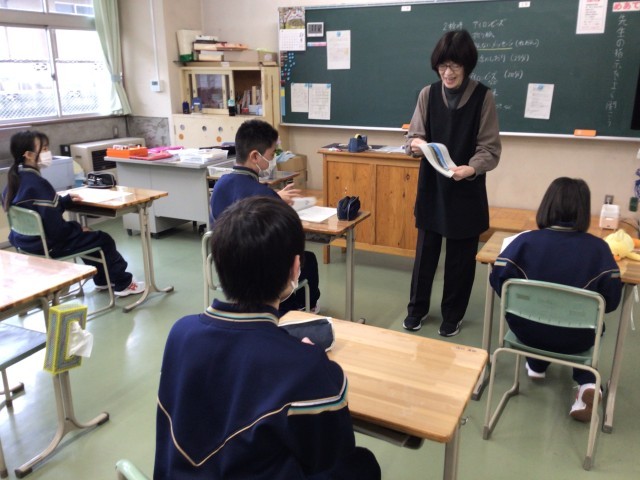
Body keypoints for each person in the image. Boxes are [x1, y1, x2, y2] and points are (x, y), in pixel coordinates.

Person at [155, 196, 381, 479]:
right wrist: (306, 358)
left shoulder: (180, 333)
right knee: (362, 464)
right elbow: (330, 453)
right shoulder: (308, 367)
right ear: (295, 268)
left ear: (218, 265)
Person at [489, 177, 622, 422]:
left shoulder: (523, 242)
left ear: (546, 205)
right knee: (589, 325)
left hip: (525, 333)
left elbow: (499, 282)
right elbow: (611, 302)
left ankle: (536, 365)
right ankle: (587, 383)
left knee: (539, 316)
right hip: (577, 339)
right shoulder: (599, 250)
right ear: (583, 210)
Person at [403, 29, 502, 337]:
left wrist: (470, 169)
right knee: (425, 255)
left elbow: (490, 149)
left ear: (466, 65)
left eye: (454, 66)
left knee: (460, 260)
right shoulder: (427, 94)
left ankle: (453, 314)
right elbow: (412, 138)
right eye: (442, 66)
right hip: (432, 188)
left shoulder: (483, 97)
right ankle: (416, 309)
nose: (447, 72)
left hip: (466, 188)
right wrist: (415, 145)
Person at [2, 130, 143, 296]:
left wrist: (63, 202)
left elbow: (40, 213)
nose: (48, 152)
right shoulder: (38, 184)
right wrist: (77, 228)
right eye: (44, 148)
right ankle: (124, 283)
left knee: (89, 237)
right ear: (29, 155)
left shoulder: (13, 181)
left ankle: (103, 280)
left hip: (26, 244)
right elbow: (56, 229)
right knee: (102, 239)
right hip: (48, 246)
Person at [209, 119, 320, 313]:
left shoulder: (220, 184)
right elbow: (288, 243)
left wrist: (274, 195)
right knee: (307, 259)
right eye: (271, 155)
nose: (273, 160)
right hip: (261, 275)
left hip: (230, 270)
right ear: (255, 156)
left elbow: (244, 194)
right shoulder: (265, 197)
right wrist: (274, 198)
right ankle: (302, 306)